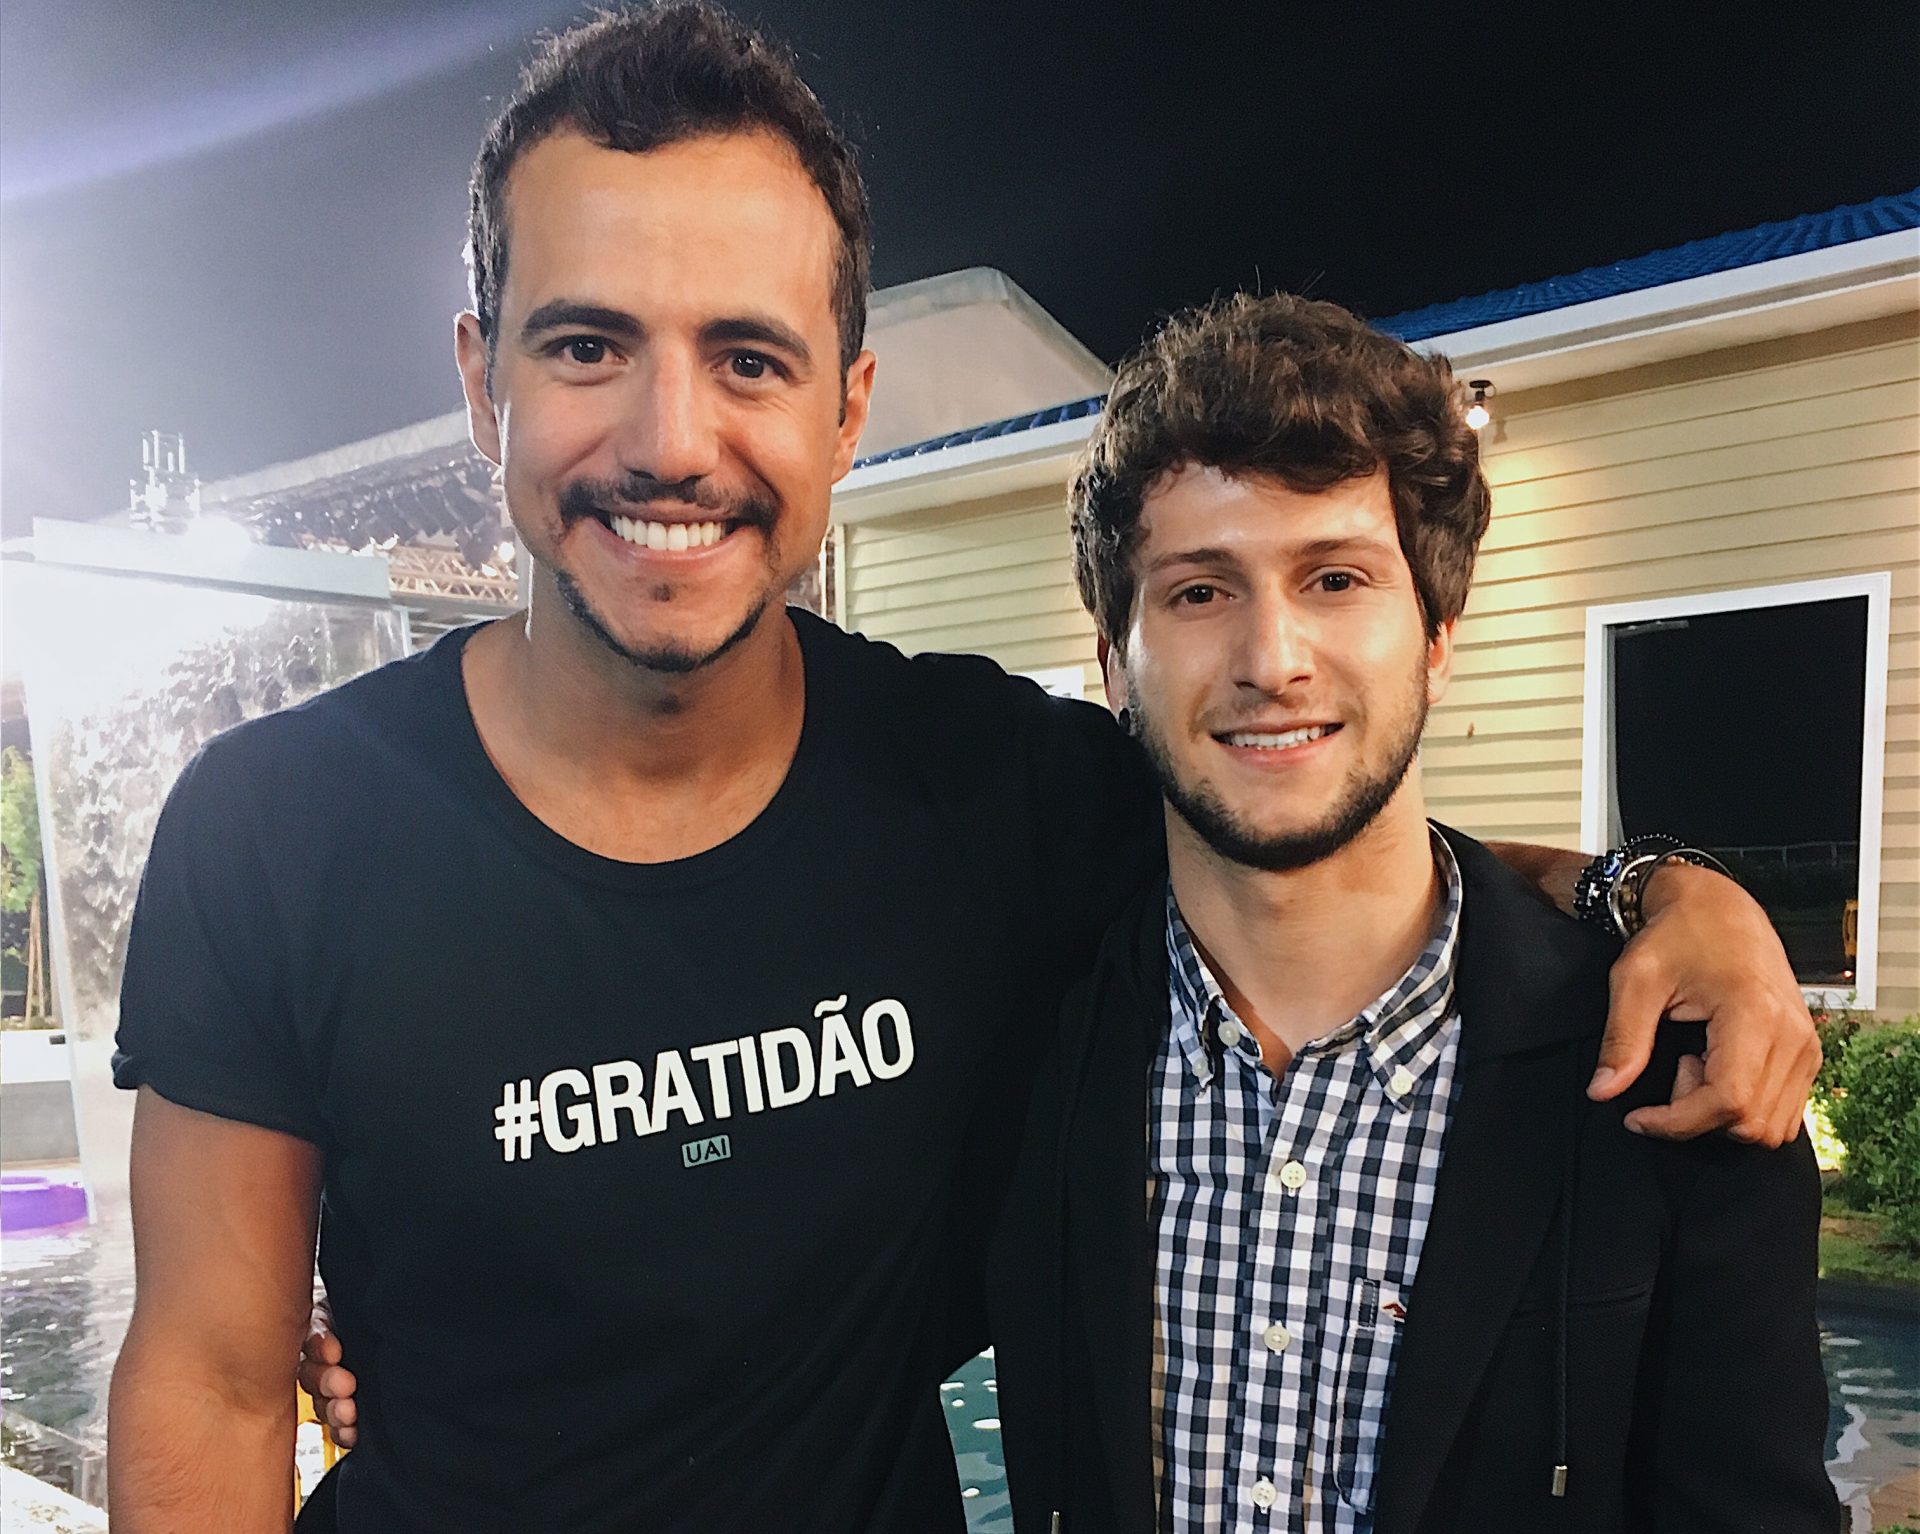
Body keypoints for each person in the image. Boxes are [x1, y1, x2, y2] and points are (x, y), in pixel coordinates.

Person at [107, 6, 1820, 1530]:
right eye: (584, 345)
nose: (669, 439)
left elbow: (1303, 822)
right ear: (483, 380)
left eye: (747, 357)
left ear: (847, 409)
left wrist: (1667, 892)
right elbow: (213, 1380)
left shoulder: (988, 783)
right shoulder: (275, 833)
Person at [983, 293, 1839, 1533]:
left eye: (1335, 577)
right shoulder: (1032, 1047)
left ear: (1437, 634)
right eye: (1198, 591)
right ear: (1117, 664)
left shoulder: (1675, 1072)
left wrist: (1671, 885)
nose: (1272, 658)